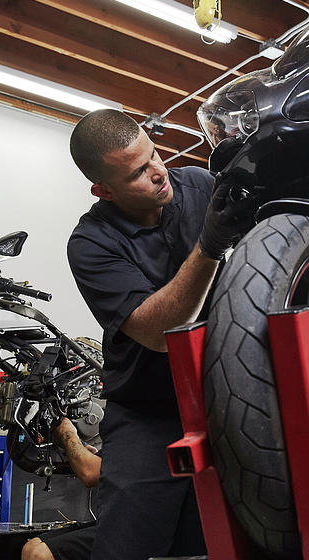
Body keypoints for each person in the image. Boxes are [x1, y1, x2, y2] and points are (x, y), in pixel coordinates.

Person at [64, 109, 254, 560]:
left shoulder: (201, 187)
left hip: (230, 397)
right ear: (103, 190)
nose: (157, 173)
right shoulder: (91, 244)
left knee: (234, 536)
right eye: (138, 173)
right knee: (129, 540)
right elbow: (157, 331)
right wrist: (210, 246)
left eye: (154, 155)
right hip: (150, 410)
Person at [21, 417, 101, 560]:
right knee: (31, 547)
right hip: (112, 520)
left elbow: (90, 472)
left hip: (136, 528)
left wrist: (68, 433)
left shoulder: (143, 429)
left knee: (39, 555)